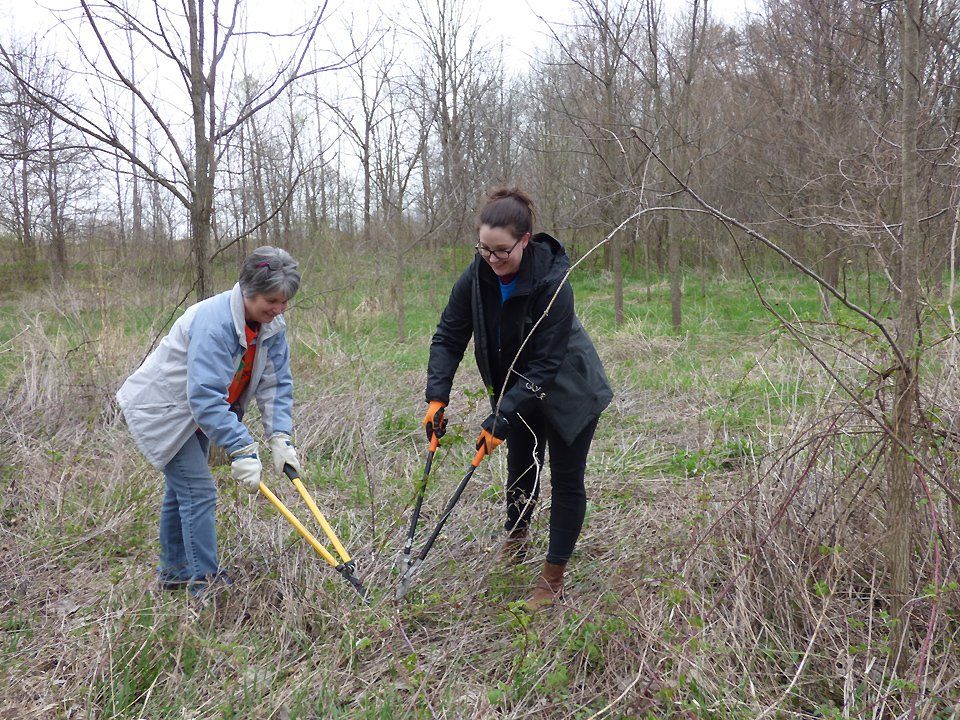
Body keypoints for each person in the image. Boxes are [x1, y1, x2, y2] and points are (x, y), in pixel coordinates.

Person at [424, 188, 612, 610]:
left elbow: (545, 365)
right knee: (522, 465)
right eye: (484, 250)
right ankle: (516, 540)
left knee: (565, 481)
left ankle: (552, 575)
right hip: (517, 389)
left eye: (502, 252)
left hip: (568, 391)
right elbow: (449, 335)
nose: (492, 260)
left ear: (525, 240)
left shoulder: (553, 283)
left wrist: (501, 416)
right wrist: (437, 397)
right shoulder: (477, 276)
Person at [117, 246, 303, 596]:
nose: (278, 310)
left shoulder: (271, 326)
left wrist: (280, 436)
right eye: (271, 300)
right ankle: (206, 583)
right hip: (164, 410)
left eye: (284, 302)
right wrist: (241, 447)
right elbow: (203, 395)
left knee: (181, 490)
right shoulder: (214, 322)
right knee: (198, 491)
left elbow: (277, 383)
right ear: (249, 290)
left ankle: (173, 572)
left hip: (199, 413)